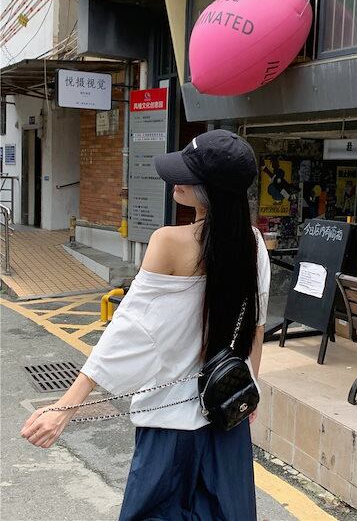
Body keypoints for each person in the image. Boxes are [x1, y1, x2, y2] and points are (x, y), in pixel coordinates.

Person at [20, 129, 271, 520]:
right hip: (226, 417)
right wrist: (247, 388)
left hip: (169, 427)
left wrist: (65, 408)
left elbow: (128, 329)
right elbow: (255, 327)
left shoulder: (169, 241)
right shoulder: (253, 243)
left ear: (213, 190)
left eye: (188, 175)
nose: (176, 181)